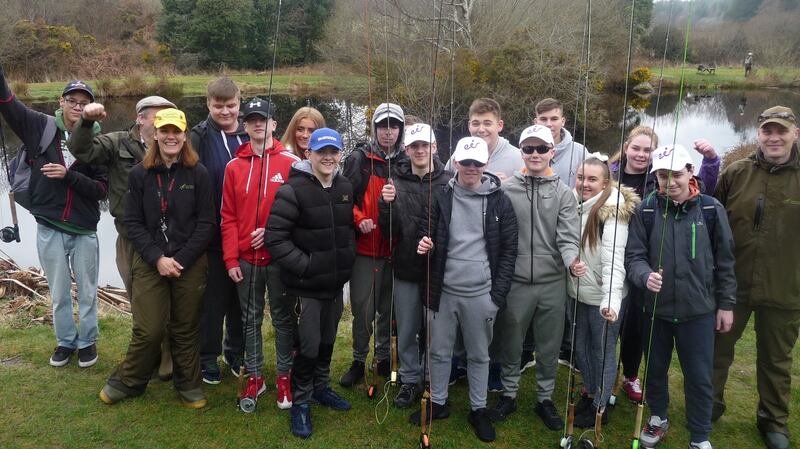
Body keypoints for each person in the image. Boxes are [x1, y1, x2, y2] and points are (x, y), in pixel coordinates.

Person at [100, 108, 215, 408]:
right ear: (156, 134)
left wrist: (183, 259)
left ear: (185, 135)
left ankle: (188, 383)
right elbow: (133, 222)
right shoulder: (140, 174)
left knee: (186, 326)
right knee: (149, 329)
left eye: (176, 131)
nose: (170, 137)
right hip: (151, 260)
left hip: (189, 262)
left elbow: (207, 224)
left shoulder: (198, 173)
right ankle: (129, 381)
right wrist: (157, 258)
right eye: (165, 131)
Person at [625, 144, 736, 449]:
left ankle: (700, 436)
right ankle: (658, 417)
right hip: (655, 311)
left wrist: (725, 304)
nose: (669, 181)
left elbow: (725, 260)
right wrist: (644, 276)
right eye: (662, 175)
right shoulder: (645, 210)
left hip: (698, 312)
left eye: (676, 174)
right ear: (655, 177)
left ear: (690, 172)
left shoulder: (712, 209)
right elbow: (633, 257)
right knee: (655, 370)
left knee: (699, 376)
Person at [0, 65, 107, 368]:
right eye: (72, 100)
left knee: (87, 292)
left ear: (91, 109)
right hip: (49, 226)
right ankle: (65, 342)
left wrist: (67, 176)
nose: (77, 106)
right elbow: (8, 104)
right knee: (59, 293)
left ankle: (87, 342)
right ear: (61, 103)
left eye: (84, 102)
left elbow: (102, 190)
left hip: (85, 229)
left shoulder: (100, 142)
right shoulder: (40, 127)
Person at [413, 136, 518, 443]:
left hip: (481, 295)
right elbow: (424, 230)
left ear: (486, 164)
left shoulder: (500, 200)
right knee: (440, 351)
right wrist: (424, 243)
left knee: (479, 355)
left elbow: (509, 251)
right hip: (443, 291)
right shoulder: (439, 195)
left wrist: (495, 297)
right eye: (465, 162)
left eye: (477, 163)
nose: (471, 168)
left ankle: (479, 408)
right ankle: (439, 402)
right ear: (455, 162)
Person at [68, 95, 177, 380]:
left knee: (173, 300)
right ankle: (149, 354)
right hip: (131, 239)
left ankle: (169, 356)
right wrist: (86, 121)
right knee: (139, 301)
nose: (164, 123)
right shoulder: (117, 142)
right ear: (140, 118)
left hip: (170, 240)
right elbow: (81, 150)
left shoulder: (175, 143)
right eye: (158, 116)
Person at [610, 126, 721, 403]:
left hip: (642, 265)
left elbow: (699, 187)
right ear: (626, 148)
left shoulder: (660, 180)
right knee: (610, 322)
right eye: (636, 148)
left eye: (647, 150)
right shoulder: (609, 173)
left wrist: (711, 161)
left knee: (636, 325)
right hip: (609, 260)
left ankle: (631, 375)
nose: (640, 154)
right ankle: (605, 374)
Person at [712, 106, 800, 449]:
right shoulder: (735, 172)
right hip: (733, 287)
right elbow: (713, 226)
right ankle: (711, 405)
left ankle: (772, 420)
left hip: (786, 288)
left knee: (776, 360)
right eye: (767, 131)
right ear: (759, 134)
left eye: (781, 131)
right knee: (718, 351)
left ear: (795, 133)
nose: (774, 137)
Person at [488, 125, 582, 431]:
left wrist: (571, 262)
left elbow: (568, 237)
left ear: (552, 152)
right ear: (522, 152)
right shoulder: (505, 189)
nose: (535, 154)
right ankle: (509, 393)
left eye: (542, 148)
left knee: (549, 345)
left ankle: (544, 399)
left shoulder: (564, 193)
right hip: (515, 283)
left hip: (552, 282)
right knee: (511, 343)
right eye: (528, 149)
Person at [266, 128, 355, 439]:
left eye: (333, 152)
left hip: (334, 285)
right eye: (321, 152)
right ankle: (301, 401)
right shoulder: (292, 190)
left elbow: (346, 231)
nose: (328, 157)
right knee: (308, 345)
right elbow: (275, 239)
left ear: (340, 153)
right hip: (305, 287)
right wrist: (306, 266)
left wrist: (347, 260)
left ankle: (321, 387)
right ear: (309, 154)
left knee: (328, 340)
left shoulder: (345, 186)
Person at [220, 98, 300, 409]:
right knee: (250, 319)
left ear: (274, 125)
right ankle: (255, 376)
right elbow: (227, 216)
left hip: (279, 258)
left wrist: (272, 232)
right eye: (251, 119)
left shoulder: (291, 163)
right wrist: (230, 259)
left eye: (263, 119)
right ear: (244, 126)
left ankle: (284, 376)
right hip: (245, 260)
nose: (257, 124)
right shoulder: (234, 166)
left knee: (282, 318)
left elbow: (298, 214)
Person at [378, 122, 452, 408]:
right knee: (407, 330)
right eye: (414, 146)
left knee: (435, 331)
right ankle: (409, 379)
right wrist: (386, 206)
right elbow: (389, 232)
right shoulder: (395, 181)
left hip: (438, 271)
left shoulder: (449, 180)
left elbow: (454, 227)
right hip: (406, 267)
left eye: (426, 145)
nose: (420, 150)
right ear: (406, 150)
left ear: (435, 147)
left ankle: (433, 378)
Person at [568, 154, 640, 428]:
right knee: (581, 347)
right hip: (577, 291)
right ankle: (591, 391)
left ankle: (601, 406)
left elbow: (614, 257)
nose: (584, 183)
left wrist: (610, 299)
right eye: (580, 177)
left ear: (606, 182)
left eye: (592, 179)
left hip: (603, 296)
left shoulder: (613, 210)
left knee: (602, 350)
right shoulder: (574, 202)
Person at [339, 102, 405, 388]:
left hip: (395, 251)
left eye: (393, 126)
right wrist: (358, 218)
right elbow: (344, 198)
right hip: (364, 250)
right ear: (374, 128)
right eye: (382, 126)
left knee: (388, 311)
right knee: (362, 309)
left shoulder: (408, 159)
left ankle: (382, 359)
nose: (387, 132)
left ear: (401, 130)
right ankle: (357, 360)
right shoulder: (358, 158)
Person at [191, 77, 248, 384]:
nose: (225, 112)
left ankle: (235, 351)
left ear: (239, 103)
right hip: (212, 236)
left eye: (231, 105)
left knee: (241, 302)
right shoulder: (199, 136)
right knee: (213, 302)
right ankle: (207, 355)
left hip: (245, 235)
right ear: (208, 104)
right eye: (218, 106)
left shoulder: (249, 133)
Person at [444, 98, 521, 181]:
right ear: (469, 125)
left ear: (500, 125)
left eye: (487, 124)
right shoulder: (458, 157)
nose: (481, 129)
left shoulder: (518, 158)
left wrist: (507, 186)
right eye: (476, 124)